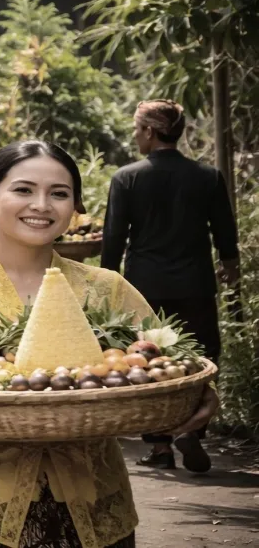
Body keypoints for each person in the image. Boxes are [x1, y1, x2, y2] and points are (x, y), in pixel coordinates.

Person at [0, 140, 219, 548]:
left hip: (97, 506)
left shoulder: (107, 289)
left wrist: (205, 392)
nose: (42, 205)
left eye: (59, 193)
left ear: (75, 208)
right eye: (24, 190)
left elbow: (174, 359)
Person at [102, 100, 239, 472]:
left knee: (146, 360)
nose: (135, 136)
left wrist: (106, 281)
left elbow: (114, 237)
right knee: (198, 357)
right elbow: (224, 230)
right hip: (195, 282)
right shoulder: (207, 176)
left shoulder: (127, 177)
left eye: (136, 129)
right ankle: (192, 429)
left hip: (145, 286)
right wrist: (230, 265)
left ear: (148, 131)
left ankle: (160, 446)